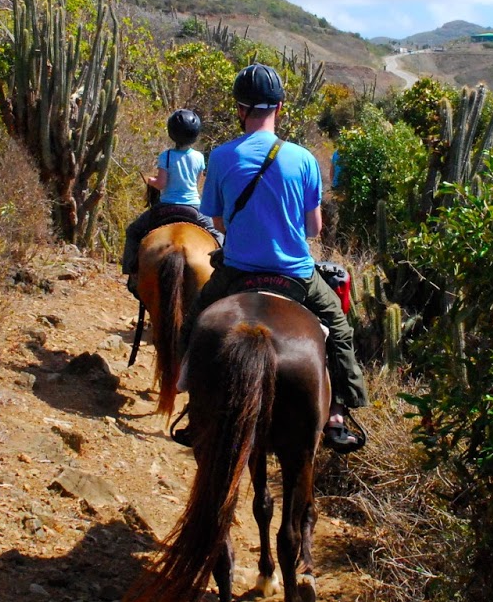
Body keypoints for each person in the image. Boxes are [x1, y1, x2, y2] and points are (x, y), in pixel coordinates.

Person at [187, 63, 368, 452]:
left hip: (237, 272)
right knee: (338, 328)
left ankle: (192, 404)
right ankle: (339, 413)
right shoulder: (303, 159)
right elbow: (313, 229)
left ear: (240, 109)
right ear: (280, 107)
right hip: (296, 276)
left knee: (195, 319)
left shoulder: (220, 157)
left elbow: (217, 220)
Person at [121, 108, 223, 295]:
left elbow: (161, 183)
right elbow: (198, 181)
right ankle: (222, 274)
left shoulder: (166, 156)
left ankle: (133, 273)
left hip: (166, 207)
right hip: (193, 208)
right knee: (219, 235)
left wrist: (149, 180)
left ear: (172, 133)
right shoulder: (199, 157)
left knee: (134, 231)